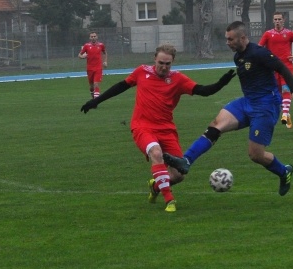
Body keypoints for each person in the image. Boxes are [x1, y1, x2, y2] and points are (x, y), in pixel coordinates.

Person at [81, 44, 235, 212]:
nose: (164, 67)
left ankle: (155, 186)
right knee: (156, 153)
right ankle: (169, 200)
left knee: (179, 175)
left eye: (168, 64)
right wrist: (96, 101)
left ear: (172, 62)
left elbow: (203, 91)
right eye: (161, 63)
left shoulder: (178, 79)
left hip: (167, 129)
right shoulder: (142, 72)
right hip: (142, 126)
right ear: (154, 59)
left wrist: (220, 83)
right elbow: (120, 86)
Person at [164, 21, 293, 195]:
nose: (227, 43)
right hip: (247, 102)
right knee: (216, 125)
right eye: (226, 39)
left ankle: (284, 172)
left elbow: (282, 68)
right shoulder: (238, 57)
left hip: (265, 107)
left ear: (242, 38)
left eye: (230, 39)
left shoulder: (259, 53)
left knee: (255, 155)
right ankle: (186, 160)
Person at [258, 12, 293, 128]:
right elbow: (259, 48)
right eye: (275, 19)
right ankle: (286, 114)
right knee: (277, 93)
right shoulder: (268, 34)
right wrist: (264, 59)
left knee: (285, 89)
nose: (277, 21)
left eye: (279, 19)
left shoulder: (289, 33)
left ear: (283, 20)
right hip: (273, 68)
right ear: (273, 21)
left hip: (286, 66)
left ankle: (284, 114)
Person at [78, 32, 107, 98]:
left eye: (94, 36)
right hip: (90, 68)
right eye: (92, 36)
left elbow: (105, 52)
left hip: (98, 68)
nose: (93, 38)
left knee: (96, 84)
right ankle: (93, 97)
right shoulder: (86, 46)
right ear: (90, 38)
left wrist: (105, 61)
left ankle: (96, 101)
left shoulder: (101, 45)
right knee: (91, 86)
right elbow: (79, 55)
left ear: (97, 37)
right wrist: (83, 57)